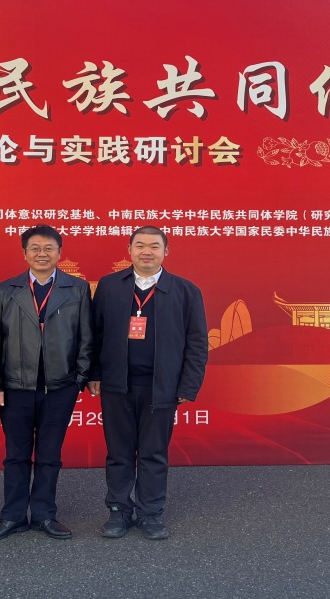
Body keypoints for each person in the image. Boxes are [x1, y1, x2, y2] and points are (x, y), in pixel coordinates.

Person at [88, 226, 208, 539]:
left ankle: (150, 513)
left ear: (165, 252)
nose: (146, 251)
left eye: (154, 246)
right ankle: (118, 510)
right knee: (119, 453)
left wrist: (188, 385)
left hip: (161, 387)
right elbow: (94, 333)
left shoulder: (185, 291)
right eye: (139, 245)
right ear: (129, 250)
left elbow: (197, 342)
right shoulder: (110, 286)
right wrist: (94, 373)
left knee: (153, 453)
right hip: (117, 384)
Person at [0, 225, 93, 541]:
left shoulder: (77, 288)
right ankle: (13, 516)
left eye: (48, 248)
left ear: (59, 253)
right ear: (25, 253)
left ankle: (44, 514)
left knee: (49, 455)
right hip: (15, 387)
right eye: (35, 248)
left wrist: (79, 379)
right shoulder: (7, 289)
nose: (42, 254)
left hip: (60, 387)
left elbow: (86, 336)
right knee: (16, 455)